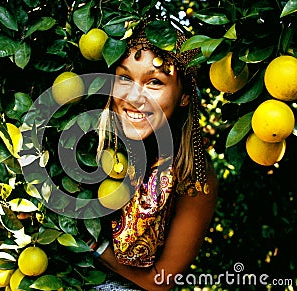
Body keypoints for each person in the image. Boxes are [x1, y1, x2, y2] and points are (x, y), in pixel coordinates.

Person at [90, 21, 218, 291]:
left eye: (154, 82)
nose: (135, 97)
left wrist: (95, 247)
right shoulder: (88, 142)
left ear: (184, 96)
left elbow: (160, 282)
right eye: (124, 78)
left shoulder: (193, 174)